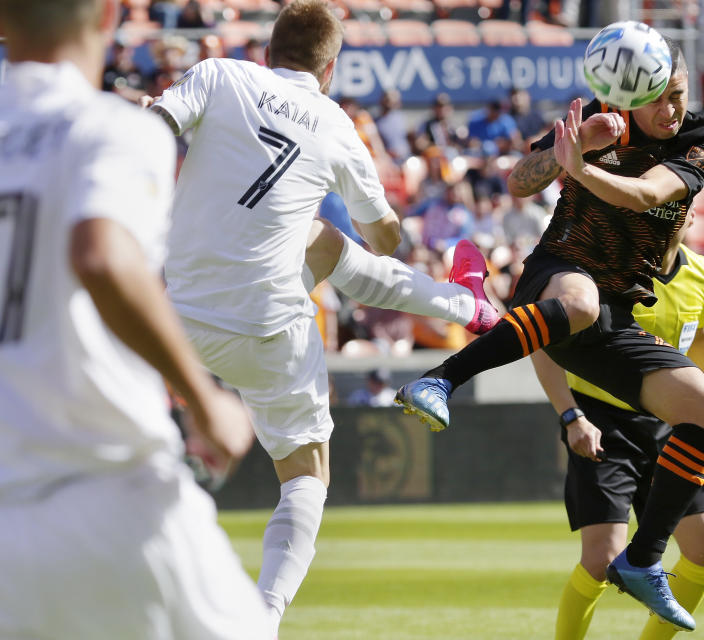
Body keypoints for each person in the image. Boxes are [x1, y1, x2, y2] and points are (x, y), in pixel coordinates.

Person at [143, 1, 495, 634]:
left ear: (270, 48)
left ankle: (467, 304)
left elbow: (155, 127)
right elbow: (383, 242)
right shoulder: (334, 124)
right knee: (306, 477)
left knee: (322, 242)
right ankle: (262, 619)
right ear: (330, 67)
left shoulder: (221, 75)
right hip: (265, 328)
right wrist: (387, 223)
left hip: (180, 318)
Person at [397, 36, 704, 630]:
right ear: (637, 90)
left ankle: (644, 562)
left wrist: (580, 168)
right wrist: (564, 152)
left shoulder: (700, 143)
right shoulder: (599, 120)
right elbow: (521, 182)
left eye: (678, 96)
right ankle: (440, 380)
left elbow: (650, 193)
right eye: (660, 99)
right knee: (579, 301)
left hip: (617, 318)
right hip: (559, 276)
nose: (670, 111)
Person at [0, 1, 270, 638]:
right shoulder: (111, 128)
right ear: (108, 16)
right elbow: (102, 256)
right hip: (112, 495)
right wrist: (205, 401)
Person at [531, 210, 704, 640]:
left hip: (677, 426)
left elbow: (698, 340)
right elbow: (544, 343)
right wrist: (572, 415)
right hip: (603, 422)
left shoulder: (701, 272)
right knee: (601, 560)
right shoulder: (602, 271)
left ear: (690, 216)